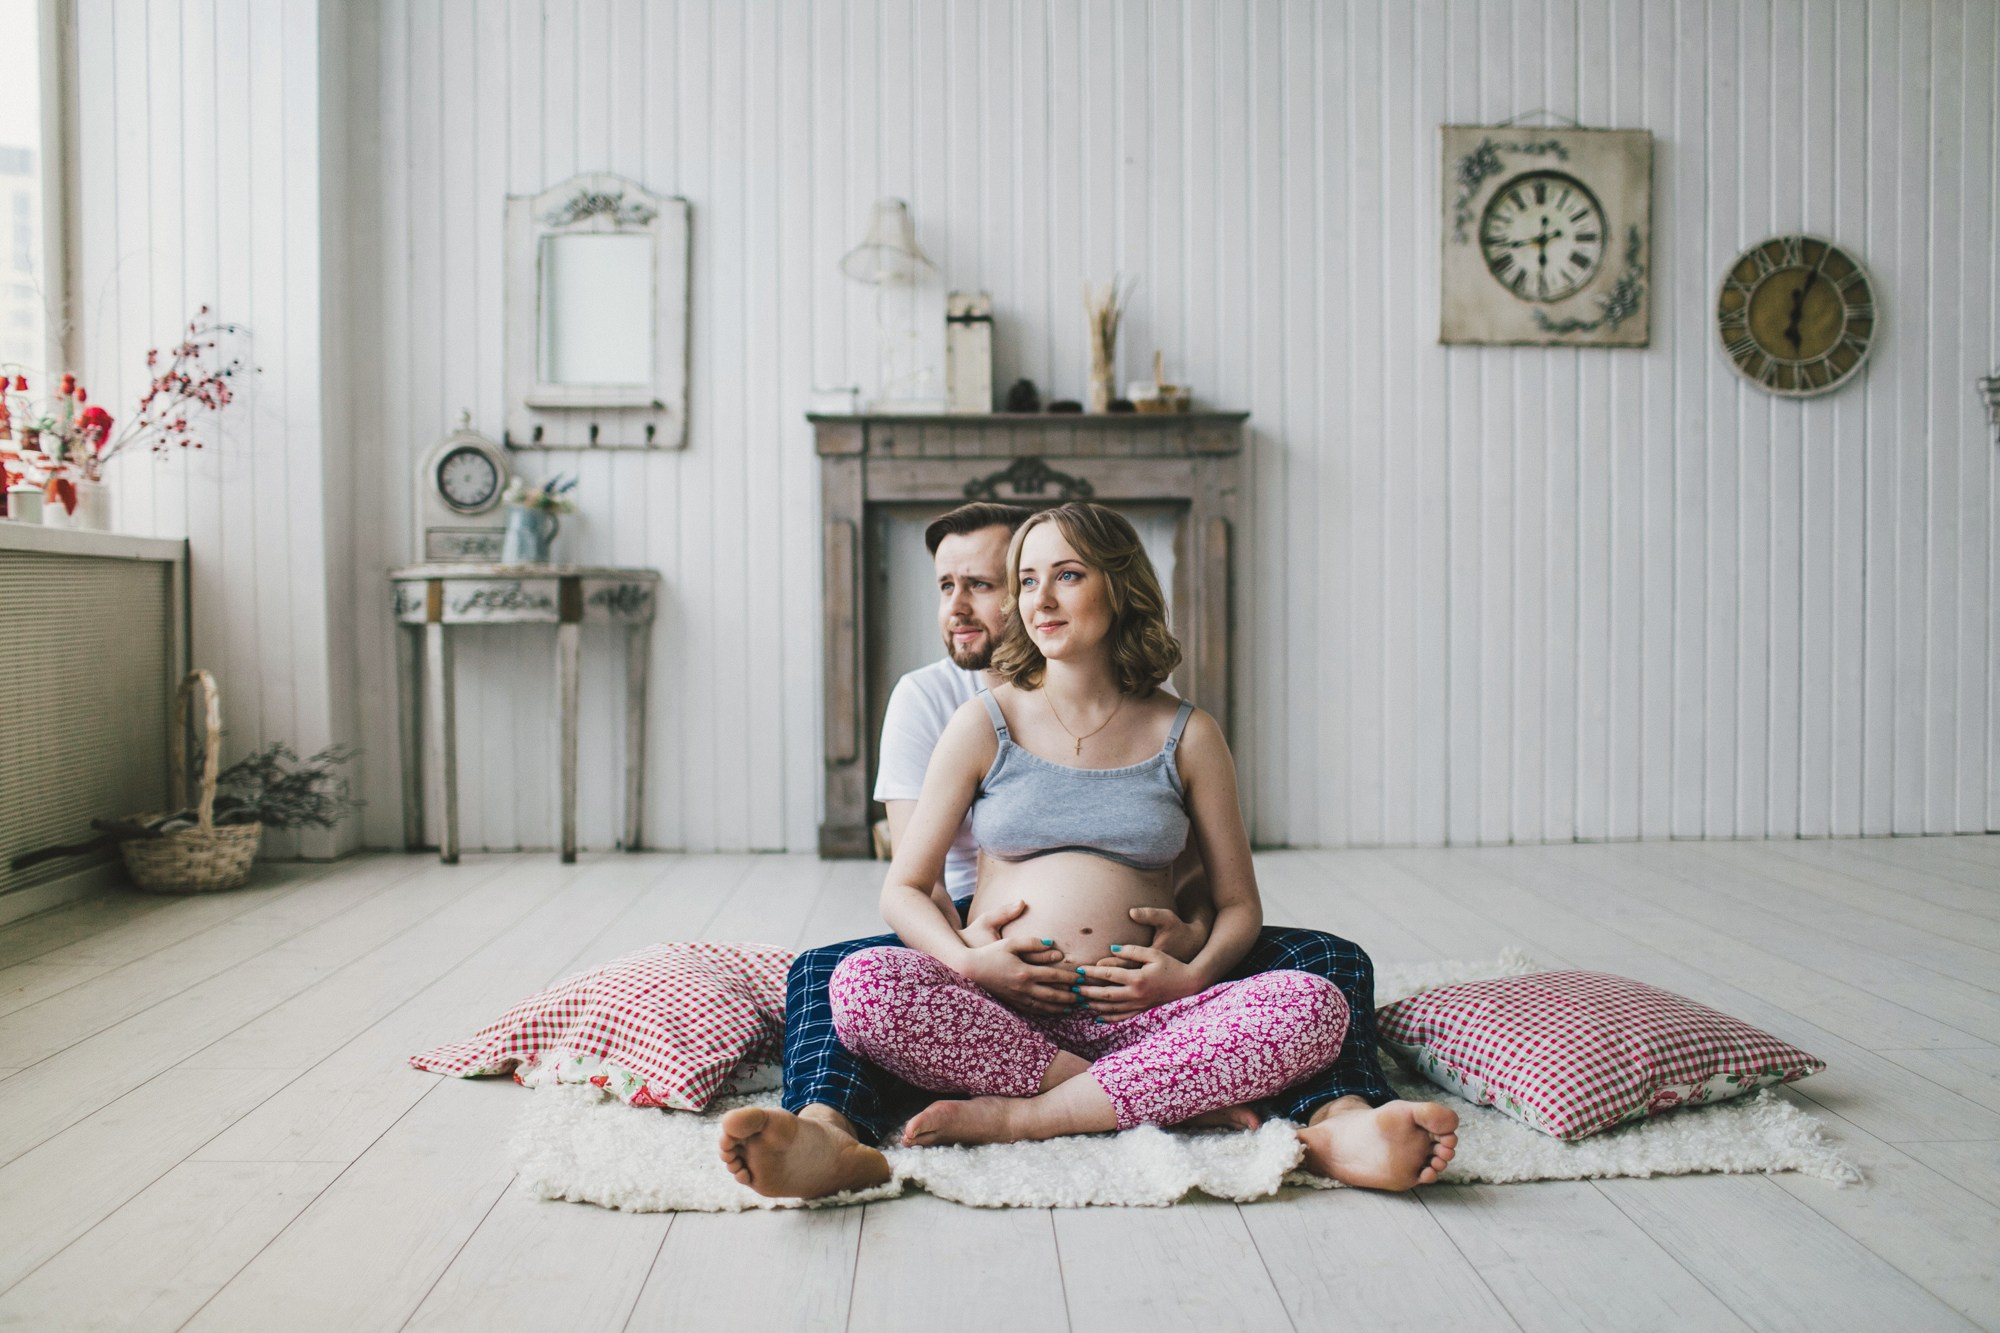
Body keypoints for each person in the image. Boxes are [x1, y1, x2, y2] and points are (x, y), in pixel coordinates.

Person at [718, 504, 1456, 1192]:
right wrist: (971, 961)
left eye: (1066, 575)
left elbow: (1235, 900)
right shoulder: (978, 722)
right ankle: (1153, 1096)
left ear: (1121, 586)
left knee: (1313, 1000)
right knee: (858, 983)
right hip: (1005, 1012)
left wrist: (1190, 972)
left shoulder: (1188, 733)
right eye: (1027, 580)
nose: (1039, 599)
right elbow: (905, 886)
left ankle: (1031, 1115)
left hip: (1152, 1011)